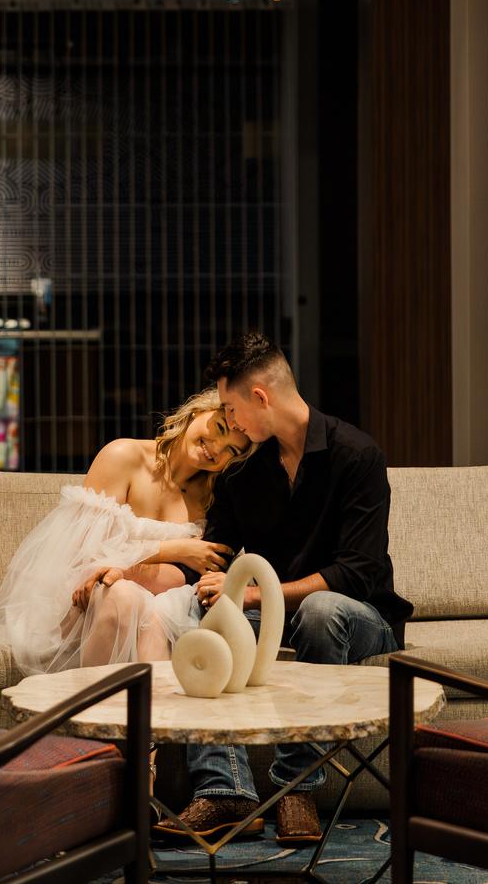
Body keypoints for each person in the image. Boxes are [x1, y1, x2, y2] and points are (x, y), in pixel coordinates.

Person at [156, 332, 411, 849]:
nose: (231, 424)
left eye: (232, 409)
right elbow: (217, 552)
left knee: (320, 610)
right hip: (272, 615)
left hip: (359, 615)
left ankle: (297, 789)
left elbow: (357, 571)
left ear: (260, 397)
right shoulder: (243, 471)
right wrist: (158, 572)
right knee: (211, 619)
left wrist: (255, 596)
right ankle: (227, 791)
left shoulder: (357, 455)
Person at [0, 388, 249, 676]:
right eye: (219, 428)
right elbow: (87, 556)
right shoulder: (124, 456)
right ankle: (101, 701)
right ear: (197, 412)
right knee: (122, 596)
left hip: (162, 598)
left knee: (152, 611)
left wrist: (134, 571)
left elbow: (191, 574)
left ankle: (147, 704)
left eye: (231, 451)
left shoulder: (211, 495)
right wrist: (176, 550)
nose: (217, 449)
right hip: (85, 595)